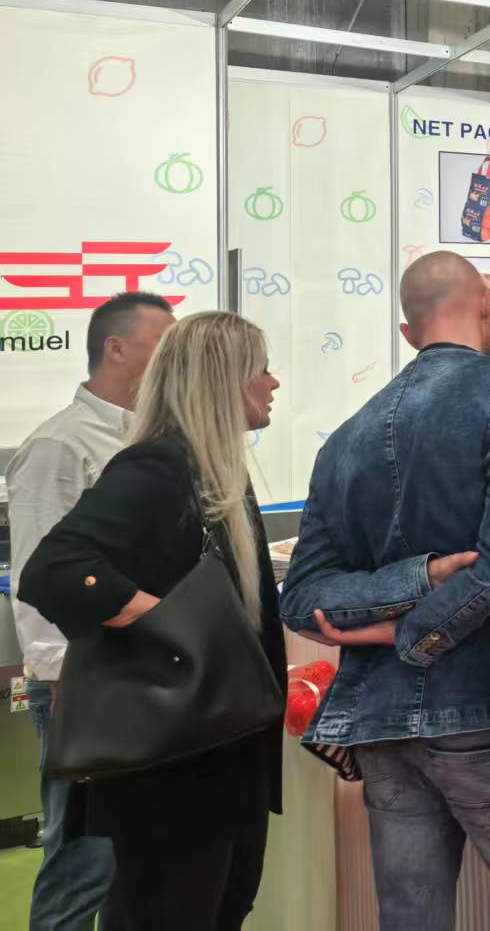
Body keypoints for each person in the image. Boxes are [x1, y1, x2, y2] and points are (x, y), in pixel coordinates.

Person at [279, 252, 490, 930]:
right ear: (485, 307)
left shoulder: (346, 439)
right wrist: (423, 594)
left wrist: (396, 610)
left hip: (383, 722)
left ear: (407, 332)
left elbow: (305, 599)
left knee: (410, 920)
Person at [18, 311, 286, 931]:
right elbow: (56, 569)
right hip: (176, 769)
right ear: (223, 380)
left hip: (222, 757)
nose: (273, 383)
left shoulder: (213, 472)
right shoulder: (157, 468)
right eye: (262, 369)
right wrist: (174, 630)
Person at [8, 292, 174, 931]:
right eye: (163, 344)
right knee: (84, 860)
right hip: (81, 683)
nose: (175, 359)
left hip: (139, 675)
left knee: (136, 859)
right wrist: (62, 679)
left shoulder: (153, 436)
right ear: (117, 347)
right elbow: (38, 577)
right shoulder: (61, 443)